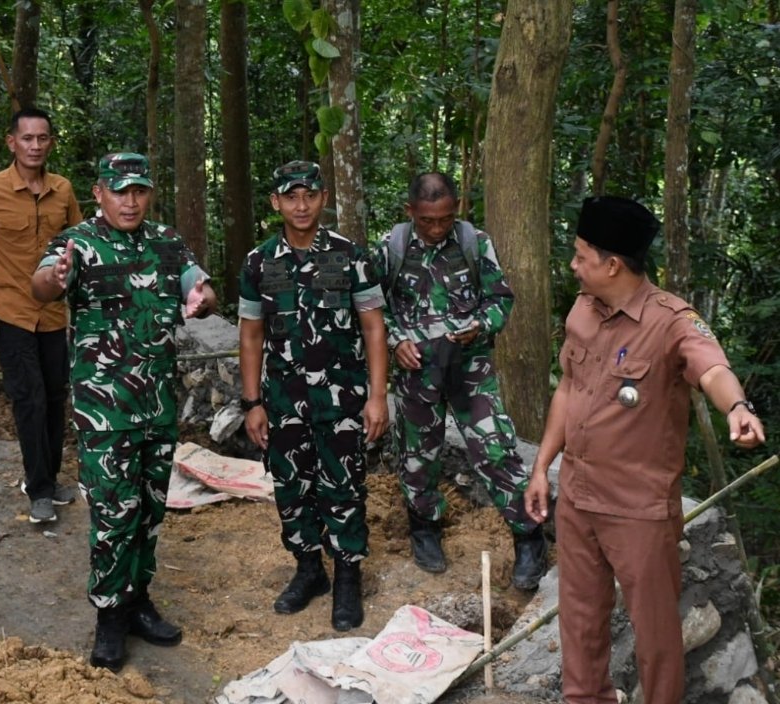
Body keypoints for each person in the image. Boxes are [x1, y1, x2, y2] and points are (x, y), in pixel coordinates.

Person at [524, 195, 765, 704]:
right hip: (579, 498)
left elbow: (711, 366)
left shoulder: (671, 321)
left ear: (612, 264)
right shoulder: (583, 310)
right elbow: (567, 390)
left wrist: (736, 407)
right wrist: (542, 466)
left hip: (638, 511)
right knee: (580, 621)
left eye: (581, 256)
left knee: (655, 636)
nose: (573, 266)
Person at [30, 152, 217, 672]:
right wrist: (56, 276)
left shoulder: (166, 243)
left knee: (150, 512)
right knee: (114, 515)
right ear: (100, 193)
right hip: (104, 411)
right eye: (120, 191)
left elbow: (200, 288)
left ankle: (138, 600)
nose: (130, 200)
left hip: (157, 407)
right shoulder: (78, 244)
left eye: (138, 190)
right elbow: (41, 284)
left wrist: (203, 298)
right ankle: (109, 615)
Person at [373, 172, 546, 590]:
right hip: (416, 370)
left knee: (496, 448)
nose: (436, 228)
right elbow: (373, 308)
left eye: (445, 219)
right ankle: (425, 530)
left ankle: (528, 537)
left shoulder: (474, 242)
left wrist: (480, 325)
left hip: (470, 367)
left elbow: (501, 299)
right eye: (428, 220)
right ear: (410, 212)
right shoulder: (390, 248)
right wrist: (396, 341)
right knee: (418, 454)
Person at [238, 161, 389, 632]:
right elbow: (250, 336)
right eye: (291, 196)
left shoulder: (351, 256)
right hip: (283, 401)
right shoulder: (259, 262)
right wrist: (251, 402)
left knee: (344, 487)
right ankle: (308, 570)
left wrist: (378, 396)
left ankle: (347, 575)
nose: (301, 206)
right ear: (275, 203)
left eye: (309, 195)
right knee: (291, 487)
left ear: (323, 198)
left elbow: (373, 328)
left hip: (342, 400)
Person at [0, 107, 83, 525]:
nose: (34, 146)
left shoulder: (63, 190)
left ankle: (45, 477)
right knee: (28, 397)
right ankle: (40, 489)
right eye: (26, 138)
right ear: (11, 142)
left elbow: (78, 246)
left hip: (51, 314)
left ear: (50, 143)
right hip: (8, 311)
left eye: (42, 138)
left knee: (53, 394)